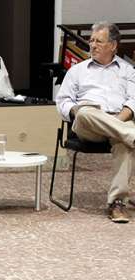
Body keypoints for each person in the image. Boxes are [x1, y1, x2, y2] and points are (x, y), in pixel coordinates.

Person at [55, 21, 135, 223]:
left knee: (123, 143)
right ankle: (131, 135)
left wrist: (115, 122)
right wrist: (75, 110)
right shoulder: (78, 70)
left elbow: (133, 101)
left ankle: (117, 204)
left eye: (99, 41)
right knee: (84, 112)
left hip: (119, 119)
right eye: (91, 41)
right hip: (88, 125)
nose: (92, 45)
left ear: (113, 45)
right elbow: (63, 101)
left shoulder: (128, 71)